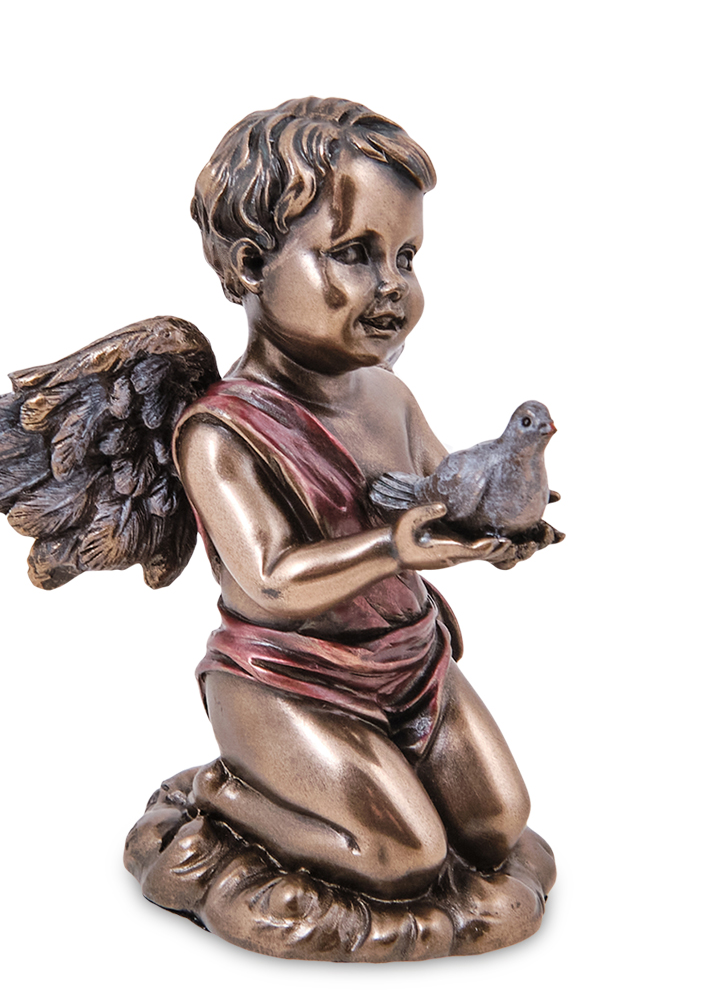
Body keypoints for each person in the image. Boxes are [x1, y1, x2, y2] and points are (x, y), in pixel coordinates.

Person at [174, 98, 543, 901]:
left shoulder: (388, 396)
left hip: (411, 660)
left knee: (498, 825)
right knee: (402, 860)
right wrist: (390, 548)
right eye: (354, 253)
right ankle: (227, 795)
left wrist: (501, 525)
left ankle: (385, 776)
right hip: (287, 681)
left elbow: (444, 498)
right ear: (250, 265)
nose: (391, 287)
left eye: (406, 257)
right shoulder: (221, 432)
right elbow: (271, 580)